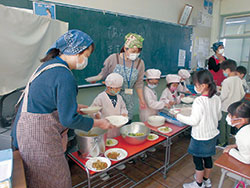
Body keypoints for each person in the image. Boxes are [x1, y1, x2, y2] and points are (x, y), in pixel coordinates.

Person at [10, 30, 114, 188]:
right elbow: (68, 119)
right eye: (86, 55)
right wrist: (100, 123)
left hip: (24, 132)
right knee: (56, 180)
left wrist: (75, 107)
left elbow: (45, 102)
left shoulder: (48, 66)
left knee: (36, 180)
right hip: (39, 138)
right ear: (75, 51)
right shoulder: (64, 75)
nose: (86, 60)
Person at [176, 70, 221, 188]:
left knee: (198, 162)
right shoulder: (216, 98)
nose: (195, 88)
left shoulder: (199, 101)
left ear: (204, 85)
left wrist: (178, 116)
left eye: (196, 85)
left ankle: (198, 184)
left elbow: (193, 121)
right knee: (208, 158)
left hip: (200, 137)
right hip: (212, 135)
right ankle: (206, 180)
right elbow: (219, 116)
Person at [86, 33, 146, 122]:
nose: (136, 54)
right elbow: (103, 74)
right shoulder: (113, 58)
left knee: (125, 122)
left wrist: (141, 100)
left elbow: (139, 83)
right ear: (126, 48)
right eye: (133, 51)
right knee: (110, 121)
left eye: (138, 52)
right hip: (111, 96)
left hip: (128, 98)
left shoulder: (140, 63)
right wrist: (96, 78)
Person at [91, 73, 128, 137]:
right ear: (108, 87)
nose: (118, 90)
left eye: (119, 88)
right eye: (116, 88)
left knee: (117, 139)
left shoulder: (119, 97)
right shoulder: (101, 97)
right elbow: (93, 109)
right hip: (106, 126)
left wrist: (124, 113)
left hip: (117, 126)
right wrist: (97, 115)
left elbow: (123, 107)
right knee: (107, 140)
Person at [218, 59, 245, 146]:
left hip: (225, 107)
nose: (223, 72)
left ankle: (222, 142)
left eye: (223, 70)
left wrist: (217, 100)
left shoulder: (227, 81)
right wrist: (236, 101)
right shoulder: (238, 80)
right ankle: (227, 141)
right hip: (234, 108)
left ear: (228, 70)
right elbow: (242, 93)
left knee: (222, 125)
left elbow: (224, 96)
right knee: (229, 124)